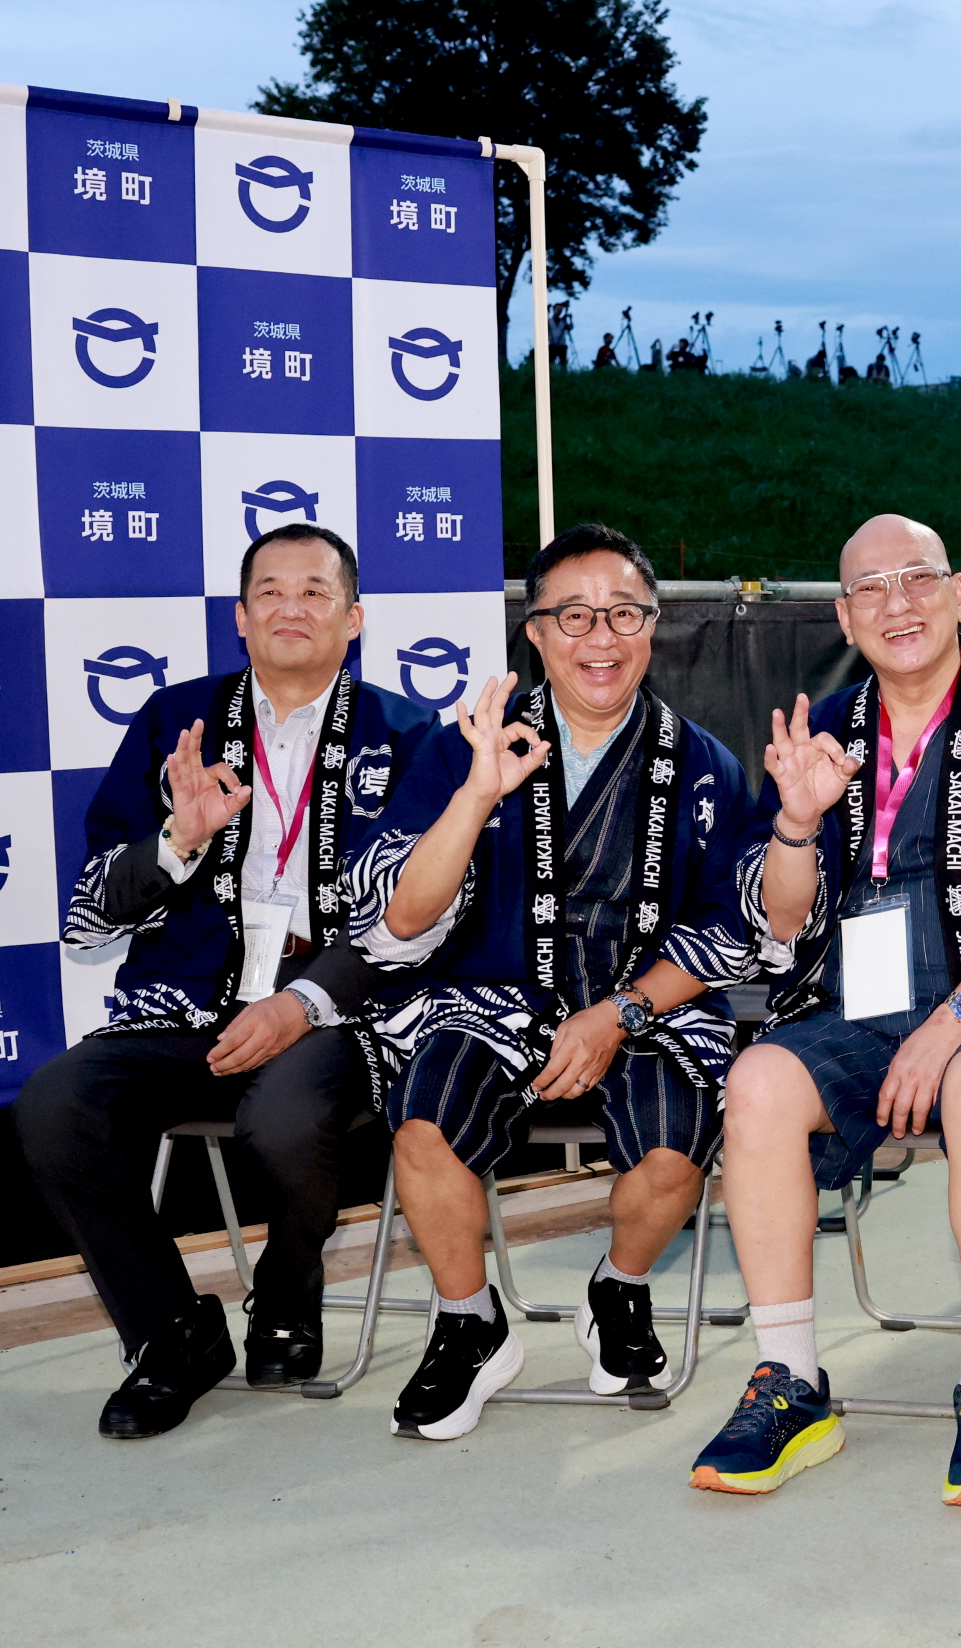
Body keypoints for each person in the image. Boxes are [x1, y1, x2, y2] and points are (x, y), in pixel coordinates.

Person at [689, 515, 961, 1507]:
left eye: (918, 579)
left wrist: (953, 1022)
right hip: (866, 1001)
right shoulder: (825, 729)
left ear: (960, 594)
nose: (898, 603)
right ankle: (789, 1377)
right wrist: (796, 823)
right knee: (757, 1082)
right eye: (871, 589)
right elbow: (780, 920)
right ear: (844, 617)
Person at [15, 525, 438, 1438]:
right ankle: (172, 1332)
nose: (292, 607)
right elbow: (90, 916)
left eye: (316, 591)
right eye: (269, 592)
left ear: (354, 619)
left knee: (284, 1118)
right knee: (57, 1105)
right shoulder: (177, 722)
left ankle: (286, 1295)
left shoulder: (409, 735)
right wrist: (179, 841)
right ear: (240, 618)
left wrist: (304, 1001)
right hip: (185, 1004)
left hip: (337, 1011)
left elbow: (424, 919)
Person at [350, 524, 763, 1441]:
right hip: (489, 999)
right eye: (573, 616)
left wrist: (619, 1012)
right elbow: (402, 917)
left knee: (676, 1150)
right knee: (423, 1124)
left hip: (641, 1004)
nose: (600, 638)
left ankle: (620, 1287)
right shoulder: (462, 748)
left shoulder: (703, 766)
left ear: (653, 626)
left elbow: (730, 927)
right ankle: (469, 1322)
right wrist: (475, 796)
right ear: (534, 633)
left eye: (624, 614)